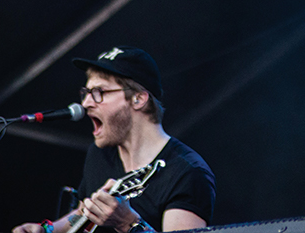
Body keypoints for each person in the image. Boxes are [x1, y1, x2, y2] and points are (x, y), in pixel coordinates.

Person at [12, 46, 216, 233]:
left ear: (138, 98)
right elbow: (85, 213)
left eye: (99, 92)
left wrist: (129, 224)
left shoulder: (187, 173)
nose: (85, 103)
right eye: (86, 93)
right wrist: (47, 230)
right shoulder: (100, 153)